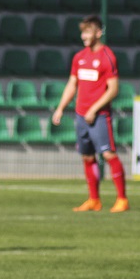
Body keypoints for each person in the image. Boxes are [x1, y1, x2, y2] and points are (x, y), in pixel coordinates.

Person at [51, 15, 129, 213]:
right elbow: (72, 84)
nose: (83, 36)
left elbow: (113, 89)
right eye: (82, 32)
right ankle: (94, 199)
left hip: (100, 116)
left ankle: (122, 199)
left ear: (98, 33)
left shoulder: (108, 57)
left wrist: (94, 109)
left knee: (109, 153)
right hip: (80, 115)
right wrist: (61, 107)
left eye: (87, 32)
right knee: (87, 157)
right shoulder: (79, 57)